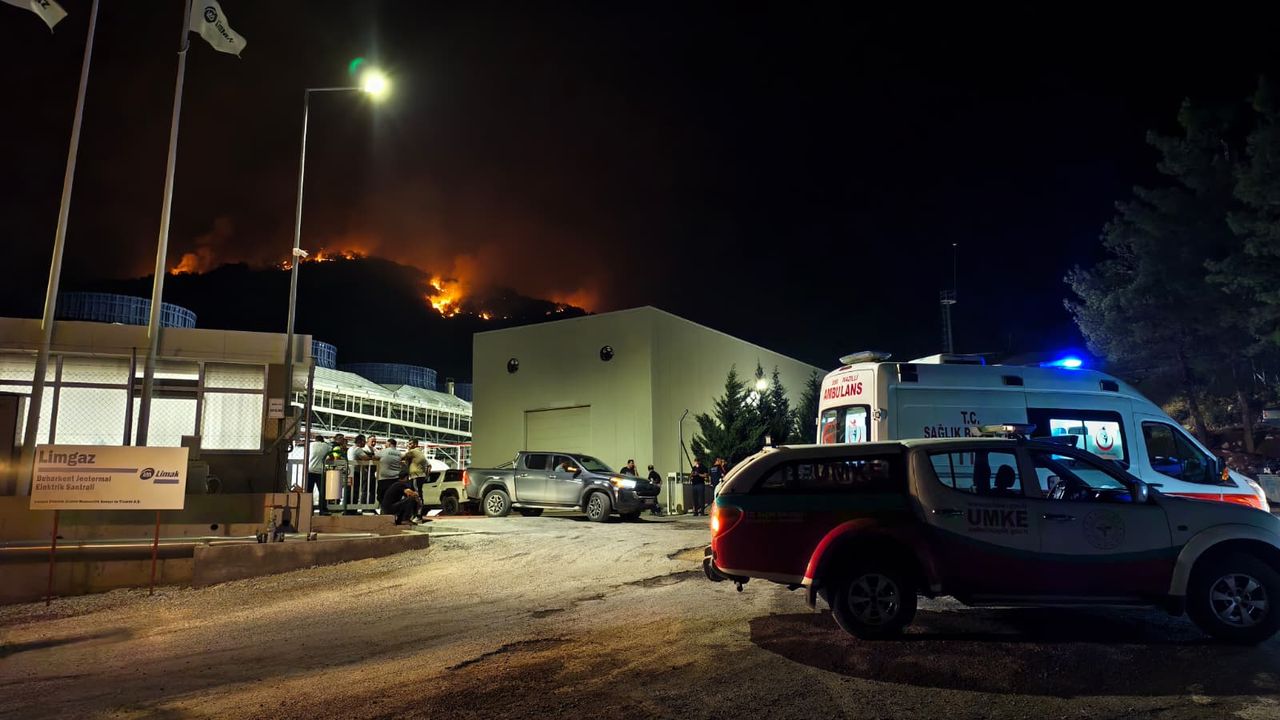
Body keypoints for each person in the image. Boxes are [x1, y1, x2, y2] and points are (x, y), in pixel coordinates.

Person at [306, 434, 333, 515]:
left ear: (315, 440)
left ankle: (308, 510)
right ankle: (323, 510)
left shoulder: (310, 444)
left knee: (308, 492)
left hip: (309, 470)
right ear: (322, 440)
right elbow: (331, 457)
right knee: (322, 492)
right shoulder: (326, 446)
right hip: (320, 471)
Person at [376, 438, 403, 505]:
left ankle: (384, 509)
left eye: (386, 443)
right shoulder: (399, 453)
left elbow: (375, 457)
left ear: (389, 444)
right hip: (396, 478)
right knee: (394, 497)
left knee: (382, 497)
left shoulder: (384, 451)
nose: (385, 445)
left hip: (384, 478)